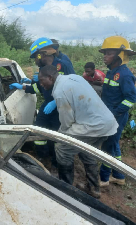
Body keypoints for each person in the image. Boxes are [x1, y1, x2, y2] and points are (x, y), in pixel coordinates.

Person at [38, 65, 118, 198]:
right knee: (87, 152)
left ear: (50, 77)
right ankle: (94, 189)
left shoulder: (59, 91)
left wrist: (60, 136)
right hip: (106, 122)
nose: (41, 84)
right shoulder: (73, 77)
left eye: (42, 80)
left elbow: (66, 122)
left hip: (93, 126)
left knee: (62, 148)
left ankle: (65, 189)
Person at [9, 37, 75, 173]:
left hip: (62, 107)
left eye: (35, 57)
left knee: (59, 137)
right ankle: (43, 158)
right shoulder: (42, 69)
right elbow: (39, 88)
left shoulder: (63, 65)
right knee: (40, 130)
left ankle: (58, 166)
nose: (35, 60)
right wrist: (23, 87)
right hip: (48, 105)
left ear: (42, 54)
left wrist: (56, 101)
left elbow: (73, 88)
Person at [99, 36, 136, 187]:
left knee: (108, 147)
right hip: (110, 114)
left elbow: (131, 98)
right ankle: (119, 176)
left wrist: (115, 112)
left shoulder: (125, 75)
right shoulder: (111, 72)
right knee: (114, 145)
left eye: (108, 53)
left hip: (116, 117)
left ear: (119, 55)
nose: (105, 57)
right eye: (104, 53)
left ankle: (104, 179)